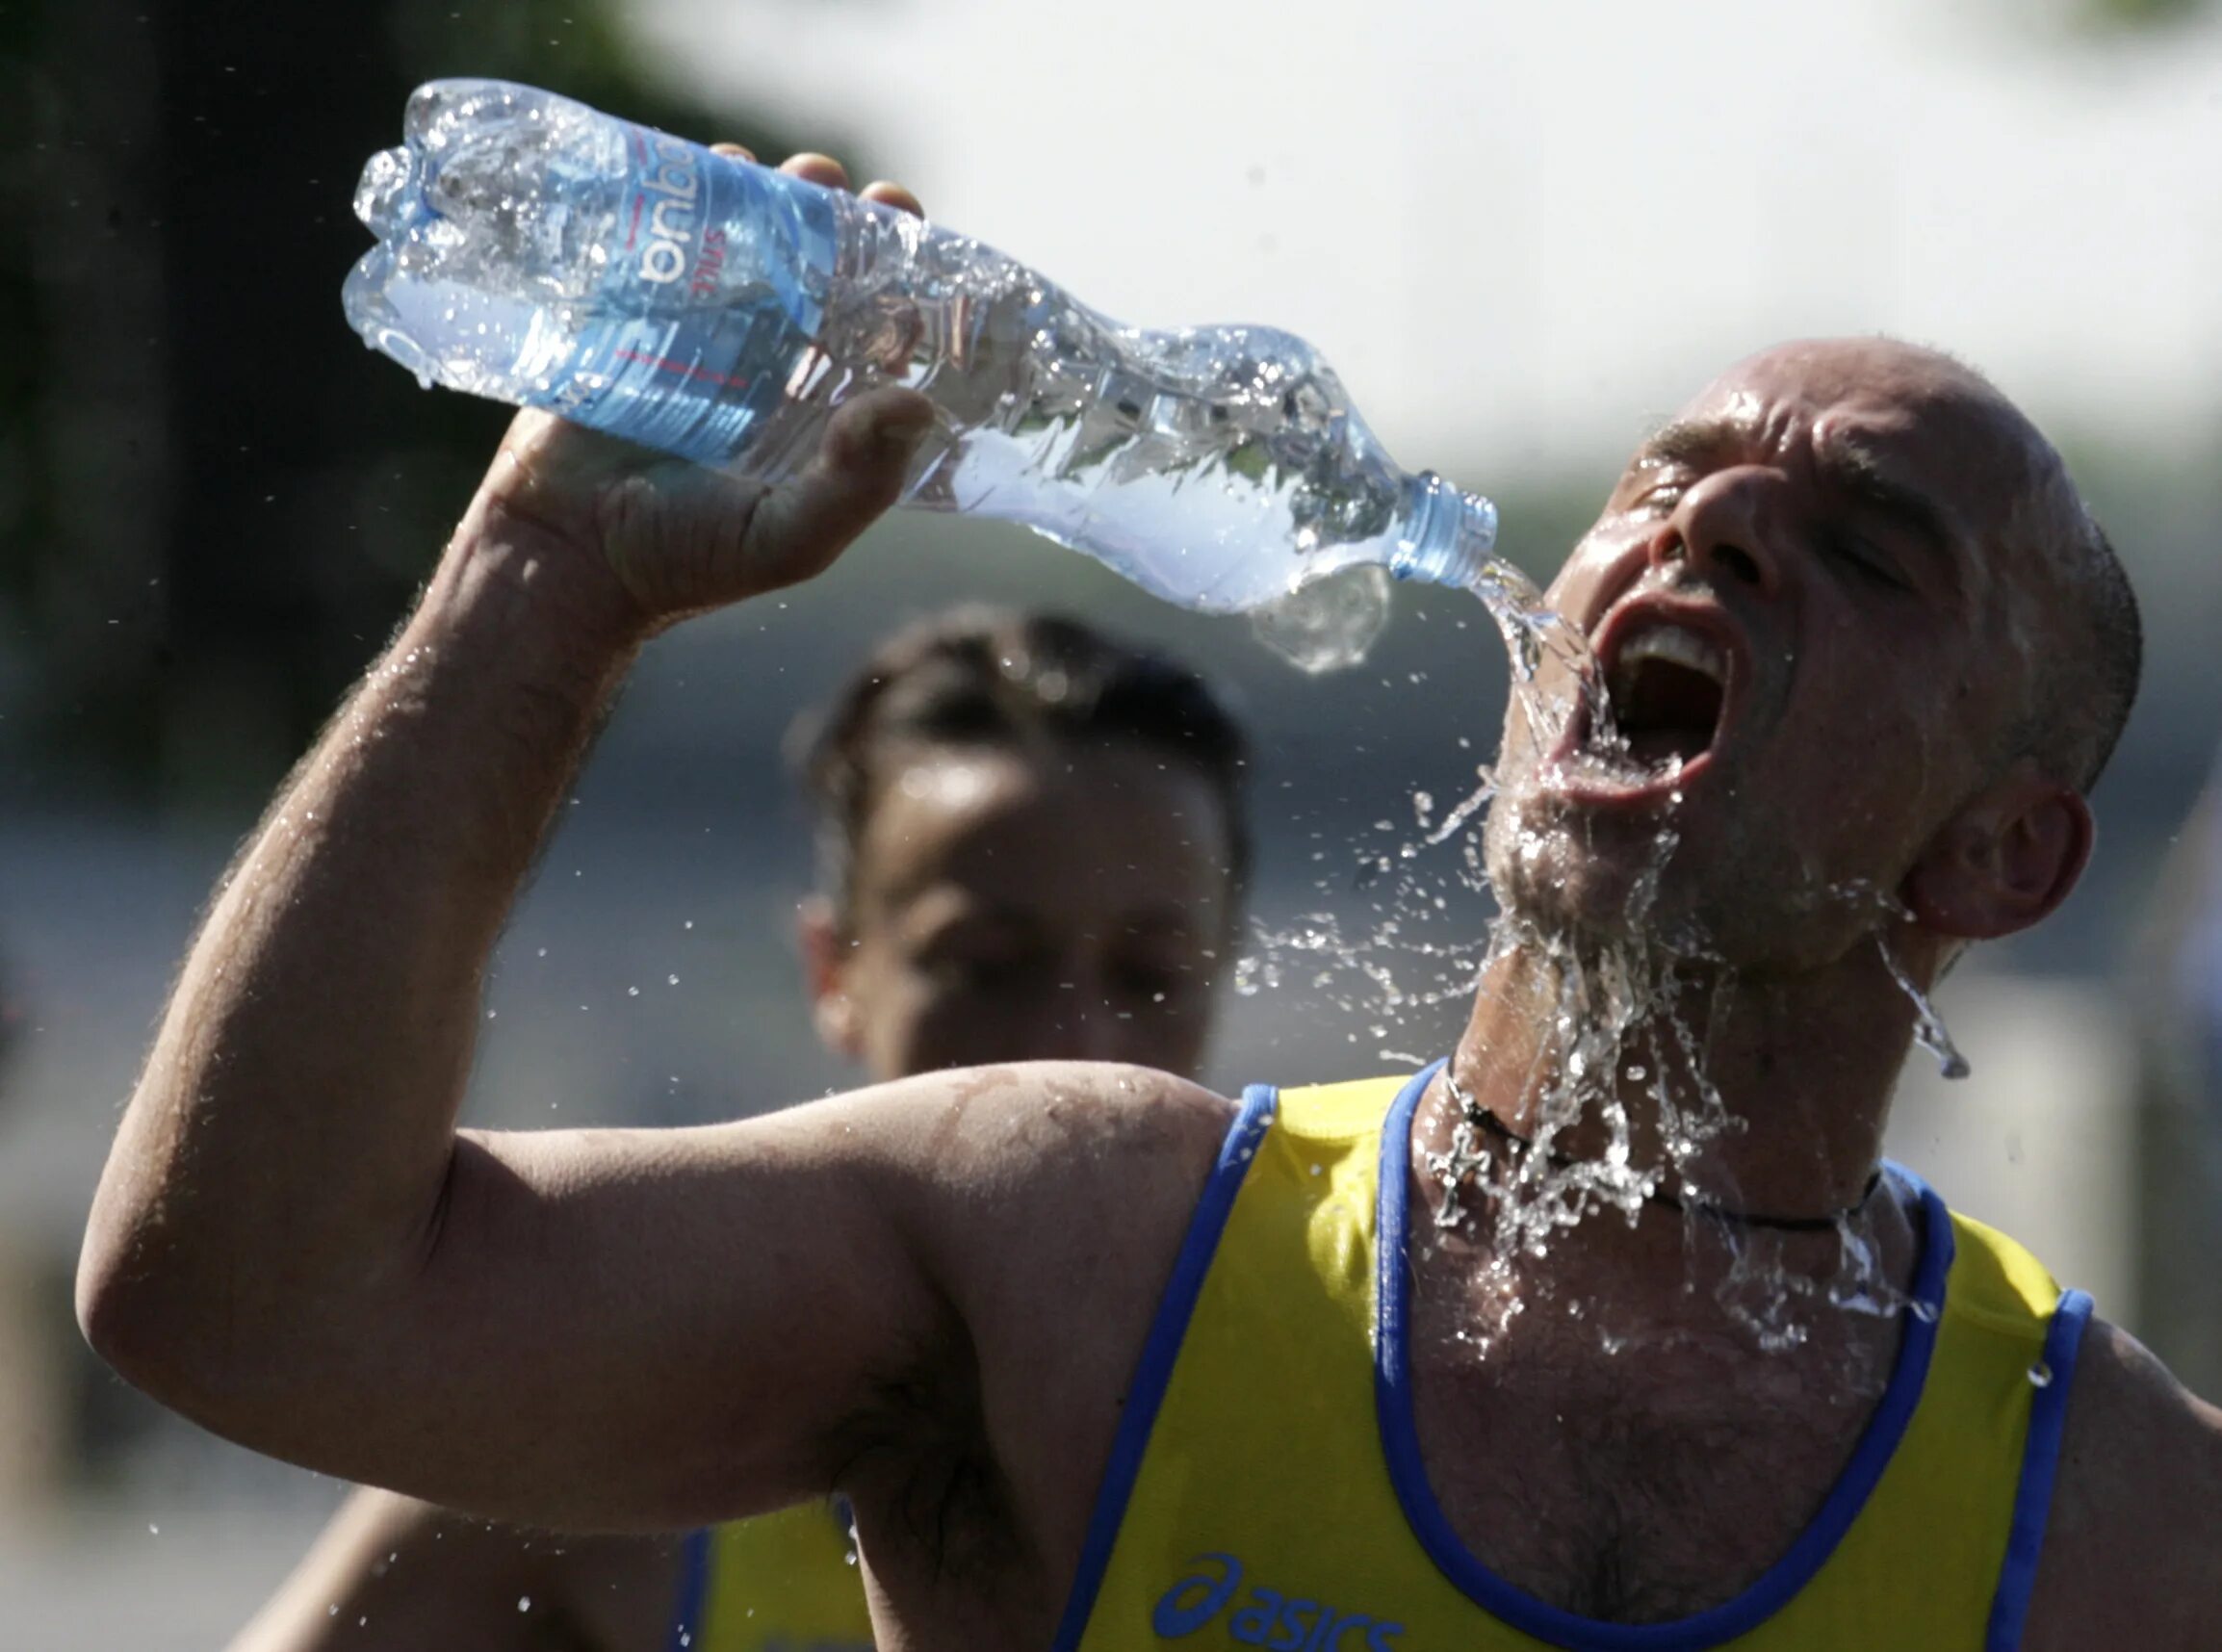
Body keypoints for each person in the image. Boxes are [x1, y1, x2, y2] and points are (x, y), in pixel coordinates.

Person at [77, 147, 2222, 1651]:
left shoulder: (2123, 1523)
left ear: (1998, 853)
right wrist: (537, 595)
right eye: (1662, 483)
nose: (1713, 525)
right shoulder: (1065, 1246)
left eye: (1863, 548)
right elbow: (247, 1301)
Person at [225, 605, 1253, 1652]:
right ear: (835, 973)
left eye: (1150, 975)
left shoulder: (1357, 1382)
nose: (1071, 1053)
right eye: (985, 964)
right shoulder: (613, 1444)